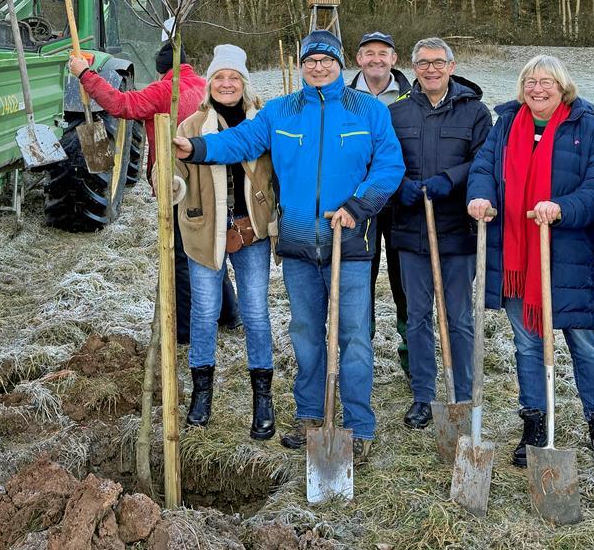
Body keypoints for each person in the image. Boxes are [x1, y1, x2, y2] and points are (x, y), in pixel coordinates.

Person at [173, 30, 404, 463]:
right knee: (306, 335)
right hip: (299, 246)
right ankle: (310, 416)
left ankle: (358, 425)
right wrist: (196, 147)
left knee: (354, 336)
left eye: (326, 60)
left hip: (352, 242)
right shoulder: (280, 112)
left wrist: (358, 205)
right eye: (310, 61)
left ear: (340, 63)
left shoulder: (369, 111)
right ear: (301, 66)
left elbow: (390, 165)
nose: (318, 67)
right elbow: (240, 142)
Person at [466, 54, 594, 471]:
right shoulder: (506, 124)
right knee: (527, 344)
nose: (537, 89)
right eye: (530, 81)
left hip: (571, 259)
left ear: (562, 86)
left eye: (546, 82)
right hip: (515, 254)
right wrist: (479, 196)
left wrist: (563, 208)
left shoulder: (588, 128)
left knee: (584, 346)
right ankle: (534, 421)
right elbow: (482, 167)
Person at [69, 41, 240, 342]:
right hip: (213, 179)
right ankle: (230, 314)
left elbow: (121, 105)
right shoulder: (205, 85)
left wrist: (85, 74)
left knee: (182, 253)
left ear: (162, 69)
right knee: (211, 243)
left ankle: (185, 330)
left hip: (179, 183)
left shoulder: (164, 92)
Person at [172, 45, 276, 439]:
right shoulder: (190, 127)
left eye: (234, 77)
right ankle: (202, 394)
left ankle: (262, 398)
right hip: (204, 231)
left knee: (255, 311)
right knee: (204, 311)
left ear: (244, 83)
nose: (227, 83)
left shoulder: (263, 123)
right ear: (209, 83)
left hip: (251, 231)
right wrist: (168, 185)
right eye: (219, 77)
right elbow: (175, 175)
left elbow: (277, 175)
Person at [388, 38, 491, 429]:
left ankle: (461, 392)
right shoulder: (397, 113)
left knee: (459, 317)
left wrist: (452, 179)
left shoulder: (475, 112)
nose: (430, 69)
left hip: (457, 230)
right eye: (422, 63)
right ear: (413, 68)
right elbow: (382, 158)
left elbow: (484, 158)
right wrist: (401, 186)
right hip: (411, 230)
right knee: (416, 316)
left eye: (437, 62)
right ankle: (423, 395)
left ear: (451, 66)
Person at [349, 31, 412, 374]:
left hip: (402, 201)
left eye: (382, 53)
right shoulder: (343, 98)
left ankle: (410, 354)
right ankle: (361, 358)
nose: (376, 58)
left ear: (393, 58)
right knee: (361, 278)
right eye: (368, 52)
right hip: (359, 202)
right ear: (358, 59)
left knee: (404, 281)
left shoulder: (410, 97)